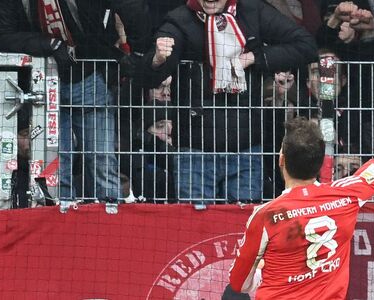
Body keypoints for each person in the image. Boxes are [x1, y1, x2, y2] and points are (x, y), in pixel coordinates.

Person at [223, 84, 374, 299]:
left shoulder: (265, 216)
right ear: (320, 163)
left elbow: (239, 283)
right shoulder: (347, 195)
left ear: (281, 160)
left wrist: (262, 271)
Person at [135, 0, 317, 205]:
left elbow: (306, 45)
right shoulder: (180, 19)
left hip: (246, 148)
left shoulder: (253, 11)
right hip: (195, 150)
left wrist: (254, 57)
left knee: (242, 223)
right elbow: (146, 77)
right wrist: (158, 59)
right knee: (194, 223)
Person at [0, 0, 152, 201]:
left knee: (100, 159)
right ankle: (63, 212)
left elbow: (131, 6)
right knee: (58, 163)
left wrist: (138, 51)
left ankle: (109, 211)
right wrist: (49, 44)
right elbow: (0, 35)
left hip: (88, 73)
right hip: (41, 82)